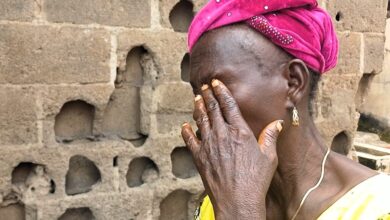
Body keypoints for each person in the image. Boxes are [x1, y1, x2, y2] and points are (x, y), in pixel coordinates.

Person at [180, 0, 390, 219]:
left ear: (293, 83)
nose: (201, 110)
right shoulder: (218, 199)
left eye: (216, 86)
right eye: (197, 91)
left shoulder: (377, 208)